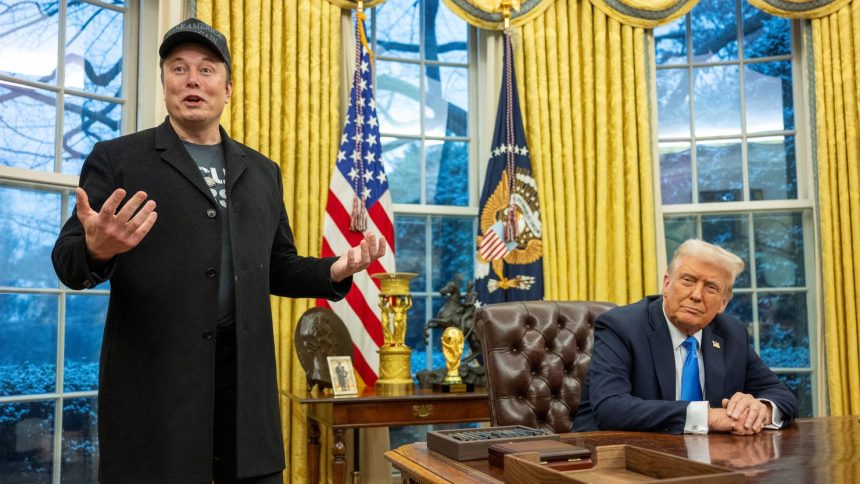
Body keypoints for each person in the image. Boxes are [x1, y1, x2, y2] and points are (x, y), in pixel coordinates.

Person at [51, 18, 385, 484]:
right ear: (165, 82)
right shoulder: (118, 158)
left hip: (244, 385)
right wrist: (96, 248)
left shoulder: (263, 171)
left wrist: (334, 268)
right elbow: (69, 263)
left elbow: (277, 267)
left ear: (228, 88)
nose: (192, 79)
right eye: (179, 68)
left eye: (207, 70)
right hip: (156, 388)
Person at [573, 239, 797, 435]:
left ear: (723, 303)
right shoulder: (621, 326)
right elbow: (610, 408)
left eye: (711, 287)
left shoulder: (731, 333)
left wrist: (760, 411)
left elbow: (782, 395)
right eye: (688, 280)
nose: (696, 295)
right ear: (667, 284)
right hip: (611, 459)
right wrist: (708, 417)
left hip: (705, 460)